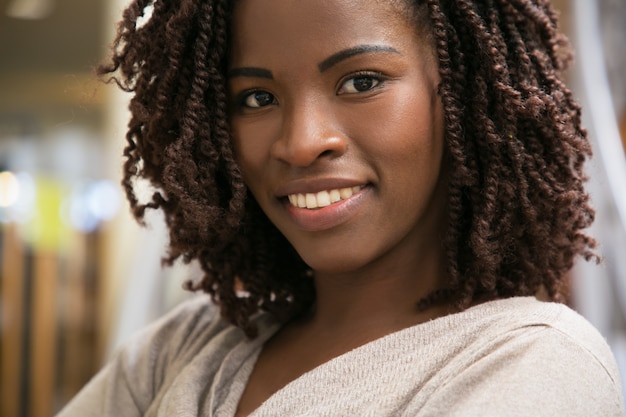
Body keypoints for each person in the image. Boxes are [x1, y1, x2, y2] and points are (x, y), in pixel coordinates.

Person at [58, 0, 624, 415]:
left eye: (361, 81)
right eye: (257, 98)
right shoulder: (182, 349)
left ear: (461, 95)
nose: (302, 142)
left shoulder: (534, 364)